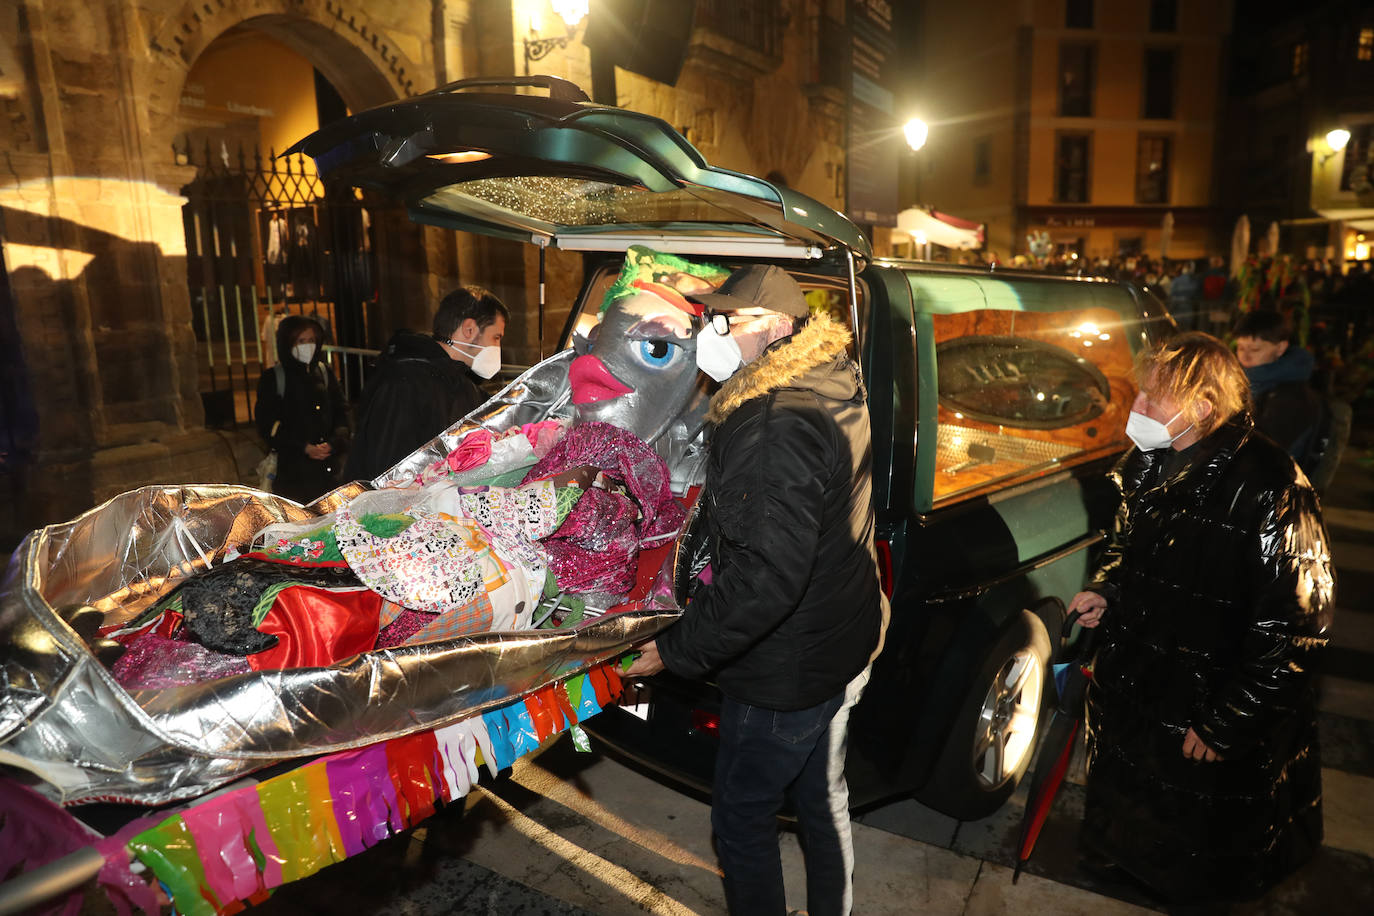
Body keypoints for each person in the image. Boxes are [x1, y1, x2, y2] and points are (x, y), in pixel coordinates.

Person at [627, 265, 888, 916]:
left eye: (727, 320)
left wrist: (678, 649)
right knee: (820, 799)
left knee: (742, 821)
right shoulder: (832, 375)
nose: (711, 332)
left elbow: (769, 577)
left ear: (775, 326)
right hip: (840, 637)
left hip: (785, 669)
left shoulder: (775, 417)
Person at [1067, 332, 1333, 905]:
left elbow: (1297, 625)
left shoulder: (1272, 484)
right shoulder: (1149, 461)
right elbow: (1128, 547)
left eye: (1152, 401)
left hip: (1209, 703)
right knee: (1139, 815)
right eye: (1141, 394)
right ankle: (1127, 864)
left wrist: (1229, 721)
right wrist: (1107, 590)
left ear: (1203, 407)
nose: (1136, 409)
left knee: (1201, 854)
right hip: (1144, 686)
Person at [345, 286, 508, 482]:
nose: (498, 348)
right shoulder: (404, 381)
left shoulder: (461, 384)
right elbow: (388, 468)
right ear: (469, 329)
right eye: (496, 337)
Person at [254, 314, 350, 504]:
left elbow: (341, 412)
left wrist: (335, 442)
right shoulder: (274, 378)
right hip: (293, 475)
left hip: (329, 471)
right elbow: (267, 425)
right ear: (288, 343)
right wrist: (303, 447)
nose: (307, 346)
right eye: (300, 341)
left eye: (311, 340)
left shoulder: (323, 372)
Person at [1232, 309, 1326, 470]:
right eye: (1240, 348)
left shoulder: (1293, 398)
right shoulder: (1241, 380)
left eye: (1255, 350)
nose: (1245, 357)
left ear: (1281, 348)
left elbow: (1260, 455)